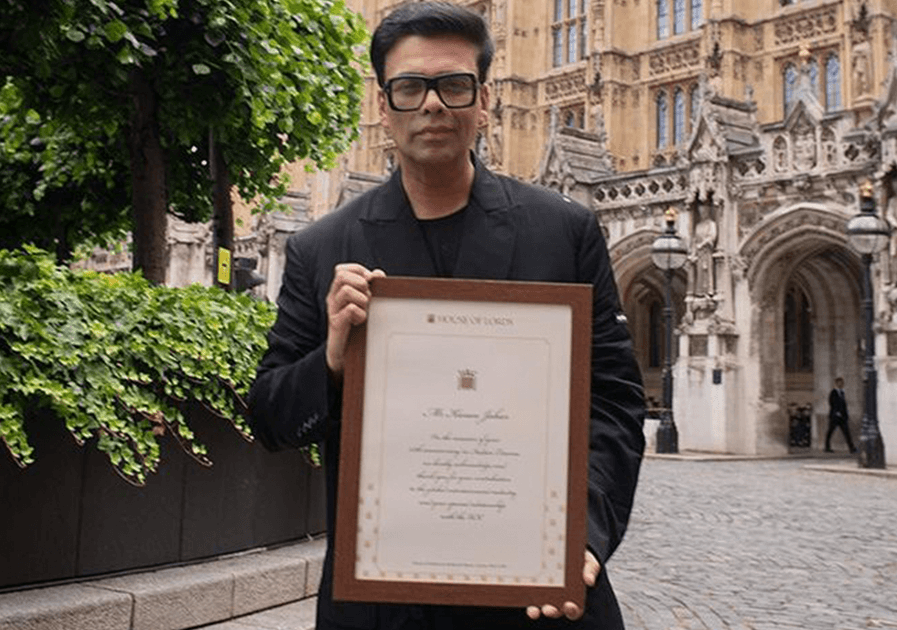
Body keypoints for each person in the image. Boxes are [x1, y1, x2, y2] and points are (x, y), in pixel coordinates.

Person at [246, 3, 646, 628]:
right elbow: (271, 419)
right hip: (382, 600)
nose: (432, 105)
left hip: (539, 594)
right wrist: (330, 357)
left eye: (453, 85)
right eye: (409, 87)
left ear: (484, 100)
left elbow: (615, 404)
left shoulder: (563, 230)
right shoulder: (321, 247)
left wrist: (583, 539)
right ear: (383, 106)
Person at [826, 377, 856, 454]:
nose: (841, 384)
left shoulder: (842, 393)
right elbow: (832, 403)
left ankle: (851, 448)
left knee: (847, 432)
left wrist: (846, 414)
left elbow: (844, 405)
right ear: (836, 383)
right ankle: (827, 447)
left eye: (842, 383)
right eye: (839, 383)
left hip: (842, 417)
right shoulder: (833, 392)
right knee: (830, 432)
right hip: (835, 416)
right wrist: (837, 412)